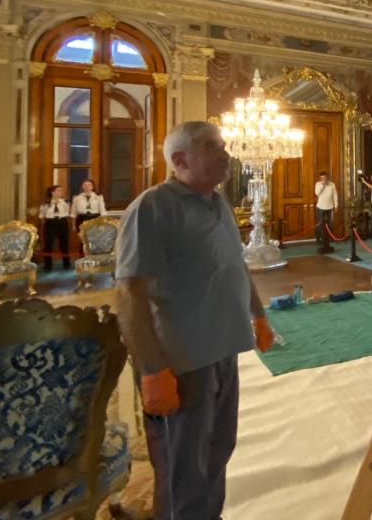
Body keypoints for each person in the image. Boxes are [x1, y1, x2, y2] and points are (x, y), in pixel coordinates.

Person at [115, 121, 274, 519]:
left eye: (223, 145)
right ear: (180, 159)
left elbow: (234, 265)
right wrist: (152, 371)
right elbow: (130, 293)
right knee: (184, 466)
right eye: (211, 147)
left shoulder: (218, 202)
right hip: (182, 361)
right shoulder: (152, 207)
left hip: (223, 350)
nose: (225, 154)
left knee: (218, 451)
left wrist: (258, 315)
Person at [39, 184, 71, 271]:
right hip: (50, 223)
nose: (61, 192)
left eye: (61, 190)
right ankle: (48, 265)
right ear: (53, 193)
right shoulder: (46, 204)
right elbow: (42, 216)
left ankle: (66, 264)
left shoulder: (65, 202)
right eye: (59, 190)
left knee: (64, 245)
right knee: (48, 245)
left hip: (62, 223)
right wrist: (44, 226)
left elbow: (68, 213)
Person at [314, 170, 338, 254]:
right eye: (321, 178)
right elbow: (317, 193)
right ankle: (319, 239)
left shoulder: (332, 184)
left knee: (330, 224)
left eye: (324, 177)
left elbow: (335, 195)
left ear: (327, 177)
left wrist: (336, 205)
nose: (323, 179)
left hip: (330, 207)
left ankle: (328, 239)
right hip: (320, 207)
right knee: (320, 224)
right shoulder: (318, 184)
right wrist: (322, 185)